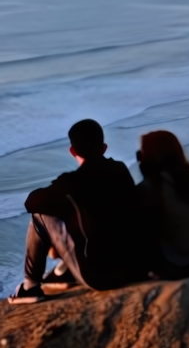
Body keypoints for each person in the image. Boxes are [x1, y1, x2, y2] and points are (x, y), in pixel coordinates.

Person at [8, 119, 147, 304]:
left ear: (72, 151)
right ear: (104, 148)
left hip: (100, 276)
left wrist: (59, 200)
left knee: (41, 215)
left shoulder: (72, 182)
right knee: (88, 217)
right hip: (133, 267)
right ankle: (63, 272)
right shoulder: (120, 170)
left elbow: (30, 203)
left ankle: (30, 286)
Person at [135, 130, 189, 280]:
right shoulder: (187, 180)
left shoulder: (151, 189)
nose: (139, 157)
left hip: (181, 265)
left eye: (142, 152)